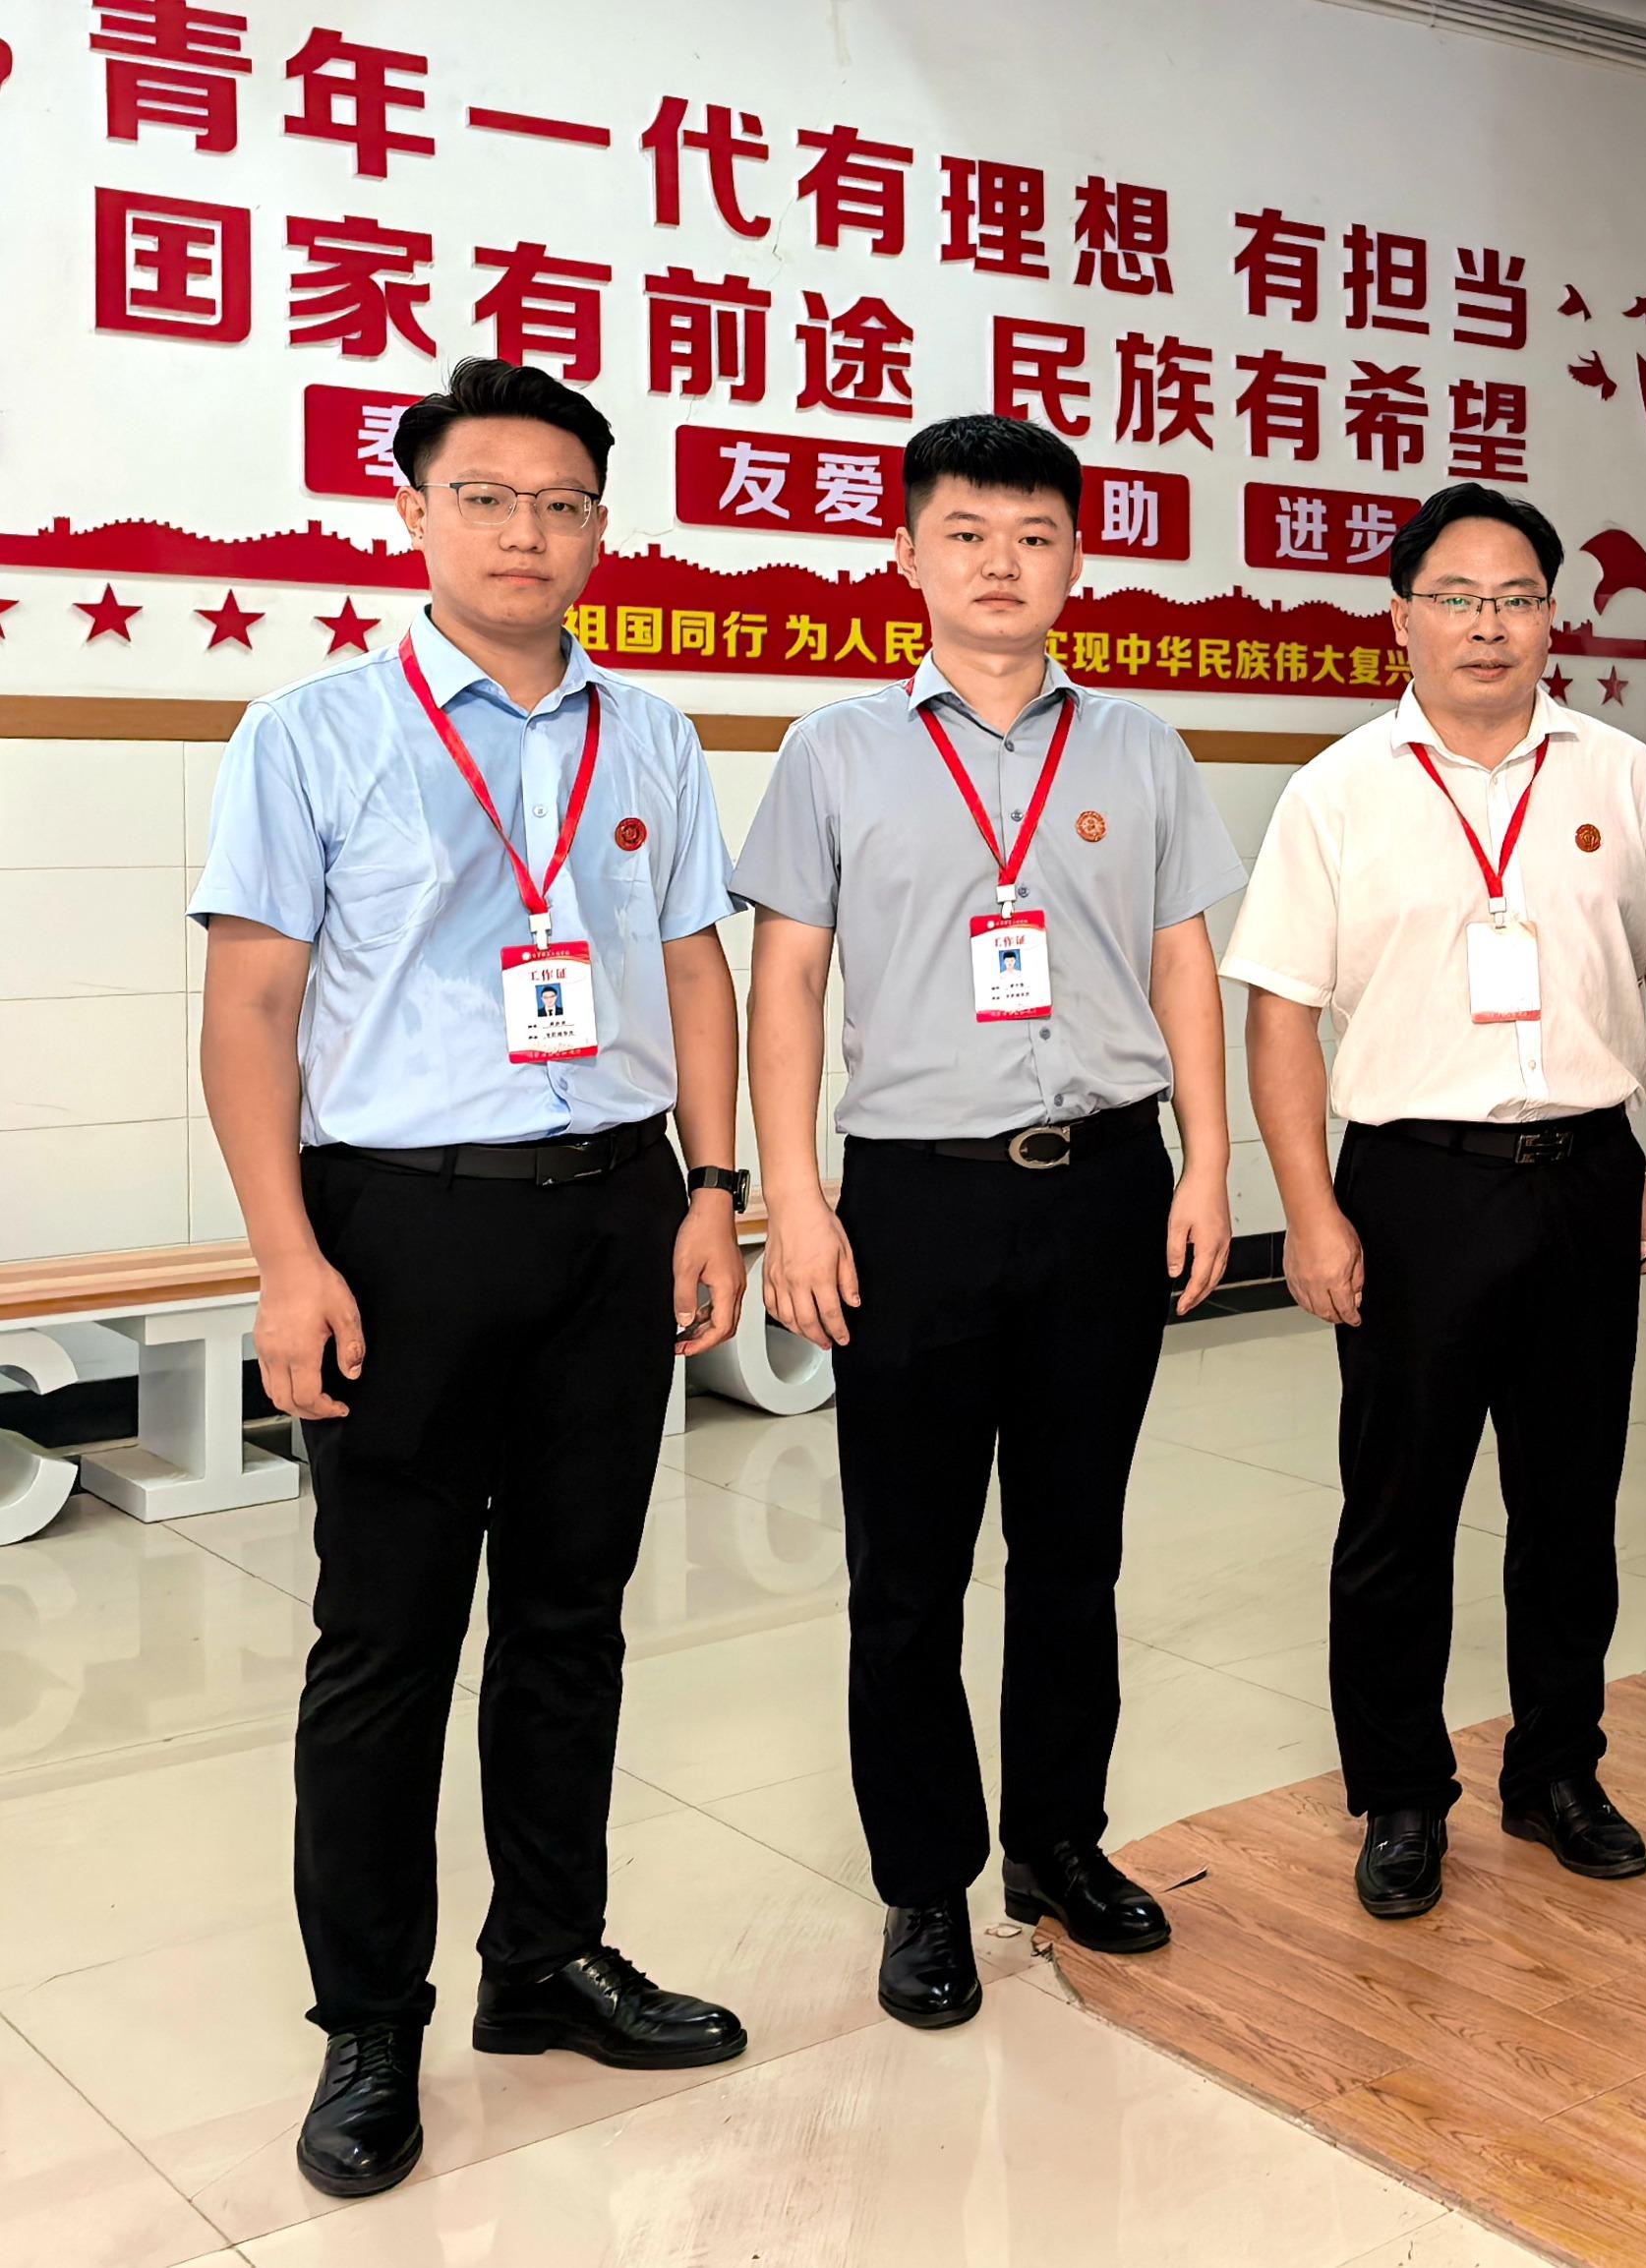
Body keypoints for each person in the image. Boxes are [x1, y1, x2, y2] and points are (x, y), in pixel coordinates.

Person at [194, 356, 751, 2199]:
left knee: (574, 1616)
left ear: (600, 527)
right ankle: (369, 2021)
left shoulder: (649, 732)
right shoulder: (314, 732)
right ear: (416, 513)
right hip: (400, 1223)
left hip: (613, 1211)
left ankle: (545, 1961)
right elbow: (252, 1009)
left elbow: (693, 971)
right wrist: (288, 1257)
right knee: (387, 1637)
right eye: (488, 498)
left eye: (563, 503)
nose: (528, 532)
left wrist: (714, 1190)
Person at [734, 414, 1248, 2027]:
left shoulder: (1141, 748)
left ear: (1075, 557)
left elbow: (1181, 962)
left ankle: (1057, 1842)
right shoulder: (834, 751)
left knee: (1074, 1549)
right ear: (906, 552)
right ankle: (922, 1886)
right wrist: (792, 1198)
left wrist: (1209, 1160)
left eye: (1033, 534)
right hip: (915, 1198)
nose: (1000, 563)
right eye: (964, 532)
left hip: (1104, 1181)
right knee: (908, 1569)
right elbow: (785, 982)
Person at [1222, 483, 1646, 1921]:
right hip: (1412, 1184)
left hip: (1586, 1172)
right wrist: (1309, 1208)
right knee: (1399, 1509)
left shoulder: (1625, 779)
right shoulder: (1338, 792)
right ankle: (1401, 1795)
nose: (1487, 625)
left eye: (1515, 598)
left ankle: (1556, 1771)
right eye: (1456, 598)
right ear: (1402, 618)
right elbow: (1280, 1015)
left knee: (1569, 1504)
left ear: (1554, 617)